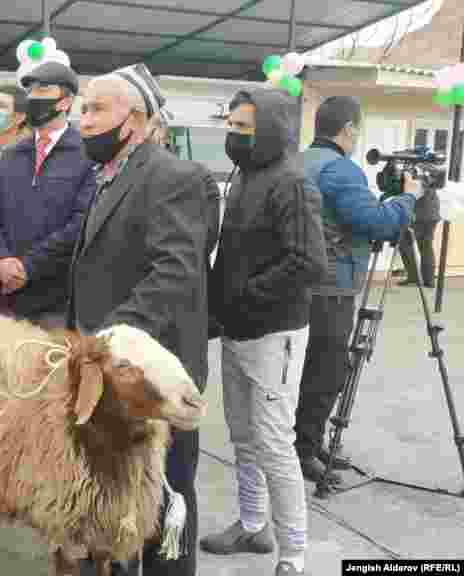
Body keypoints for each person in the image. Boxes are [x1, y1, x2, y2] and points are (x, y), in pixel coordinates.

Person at [70, 64, 219, 576]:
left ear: (136, 118)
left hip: (155, 370)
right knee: (112, 483)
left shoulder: (176, 177)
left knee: (167, 492)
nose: (83, 120)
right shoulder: (108, 178)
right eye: (82, 109)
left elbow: (175, 272)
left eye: (96, 109)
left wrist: (113, 339)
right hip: (114, 372)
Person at [202, 89, 327, 576]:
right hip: (237, 330)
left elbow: (308, 262)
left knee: (274, 443)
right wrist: (219, 306)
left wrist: (246, 293)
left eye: (244, 129)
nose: (233, 136)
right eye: (230, 126)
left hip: (274, 335)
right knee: (243, 437)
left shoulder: (291, 184)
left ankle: (293, 555)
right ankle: (253, 525)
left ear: (272, 130)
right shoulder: (245, 176)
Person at [293, 96, 419, 484]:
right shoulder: (341, 170)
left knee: (303, 370)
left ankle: (306, 443)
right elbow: (378, 224)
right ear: (347, 129)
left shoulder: (297, 161)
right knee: (326, 371)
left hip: (297, 282)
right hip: (331, 287)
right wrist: (407, 197)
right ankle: (304, 451)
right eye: (356, 131)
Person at [0, 60, 95, 328]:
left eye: (43, 90)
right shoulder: (11, 155)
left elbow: (81, 223)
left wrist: (28, 266)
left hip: (57, 300)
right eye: (31, 91)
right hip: (8, 296)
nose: (33, 97)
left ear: (65, 102)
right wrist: (1, 259)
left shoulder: (88, 154)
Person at [398, 177, 440, 288]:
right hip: (432, 213)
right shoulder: (431, 171)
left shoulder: (415, 171)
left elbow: (409, 191)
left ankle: (414, 277)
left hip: (419, 215)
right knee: (426, 246)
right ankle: (429, 280)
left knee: (404, 245)